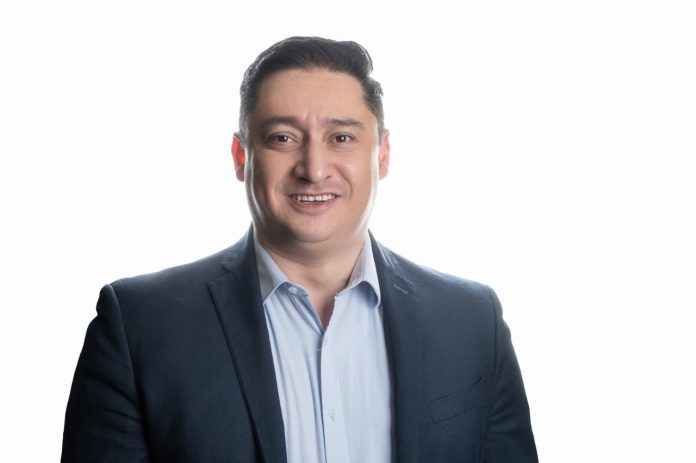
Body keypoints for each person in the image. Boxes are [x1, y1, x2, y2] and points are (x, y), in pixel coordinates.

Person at [61, 36, 538, 463]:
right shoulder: (140, 326)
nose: (313, 168)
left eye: (342, 138)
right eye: (283, 138)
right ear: (241, 158)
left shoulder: (471, 322)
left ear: (383, 155)